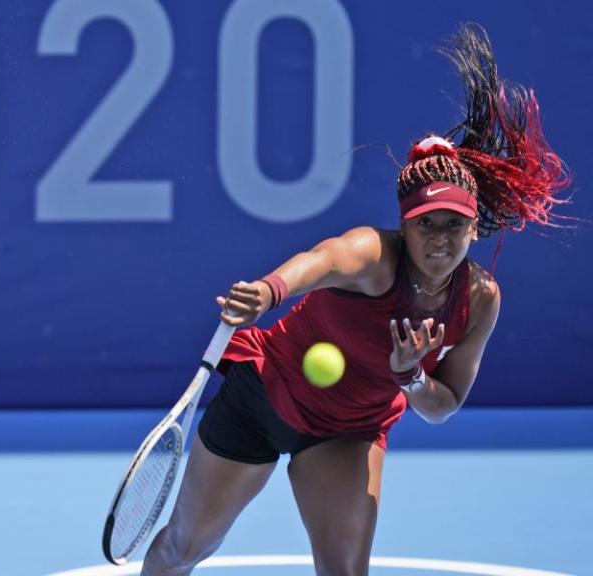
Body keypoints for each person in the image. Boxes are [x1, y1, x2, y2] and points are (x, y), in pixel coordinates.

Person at [140, 23, 571, 576]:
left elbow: (443, 407)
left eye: (455, 226)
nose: (439, 238)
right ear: (403, 225)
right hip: (263, 399)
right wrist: (268, 292)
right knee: (183, 547)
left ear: (475, 230)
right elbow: (318, 262)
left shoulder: (480, 300)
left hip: (348, 431)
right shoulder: (372, 255)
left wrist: (411, 377)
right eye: (425, 224)